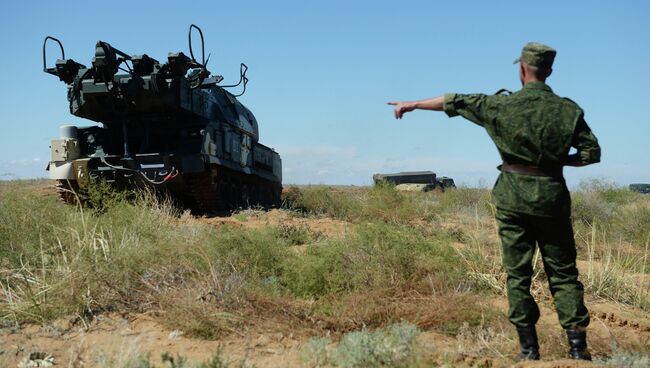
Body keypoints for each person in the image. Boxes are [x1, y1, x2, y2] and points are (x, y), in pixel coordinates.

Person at [387, 42, 600, 361]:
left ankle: (529, 351)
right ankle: (578, 350)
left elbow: (454, 101)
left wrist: (413, 104)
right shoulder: (568, 110)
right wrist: (555, 162)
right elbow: (591, 154)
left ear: (522, 69)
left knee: (518, 274)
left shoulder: (500, 106)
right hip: (552, 197)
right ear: (550, 71)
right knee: (564, 273)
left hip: (513, 197)